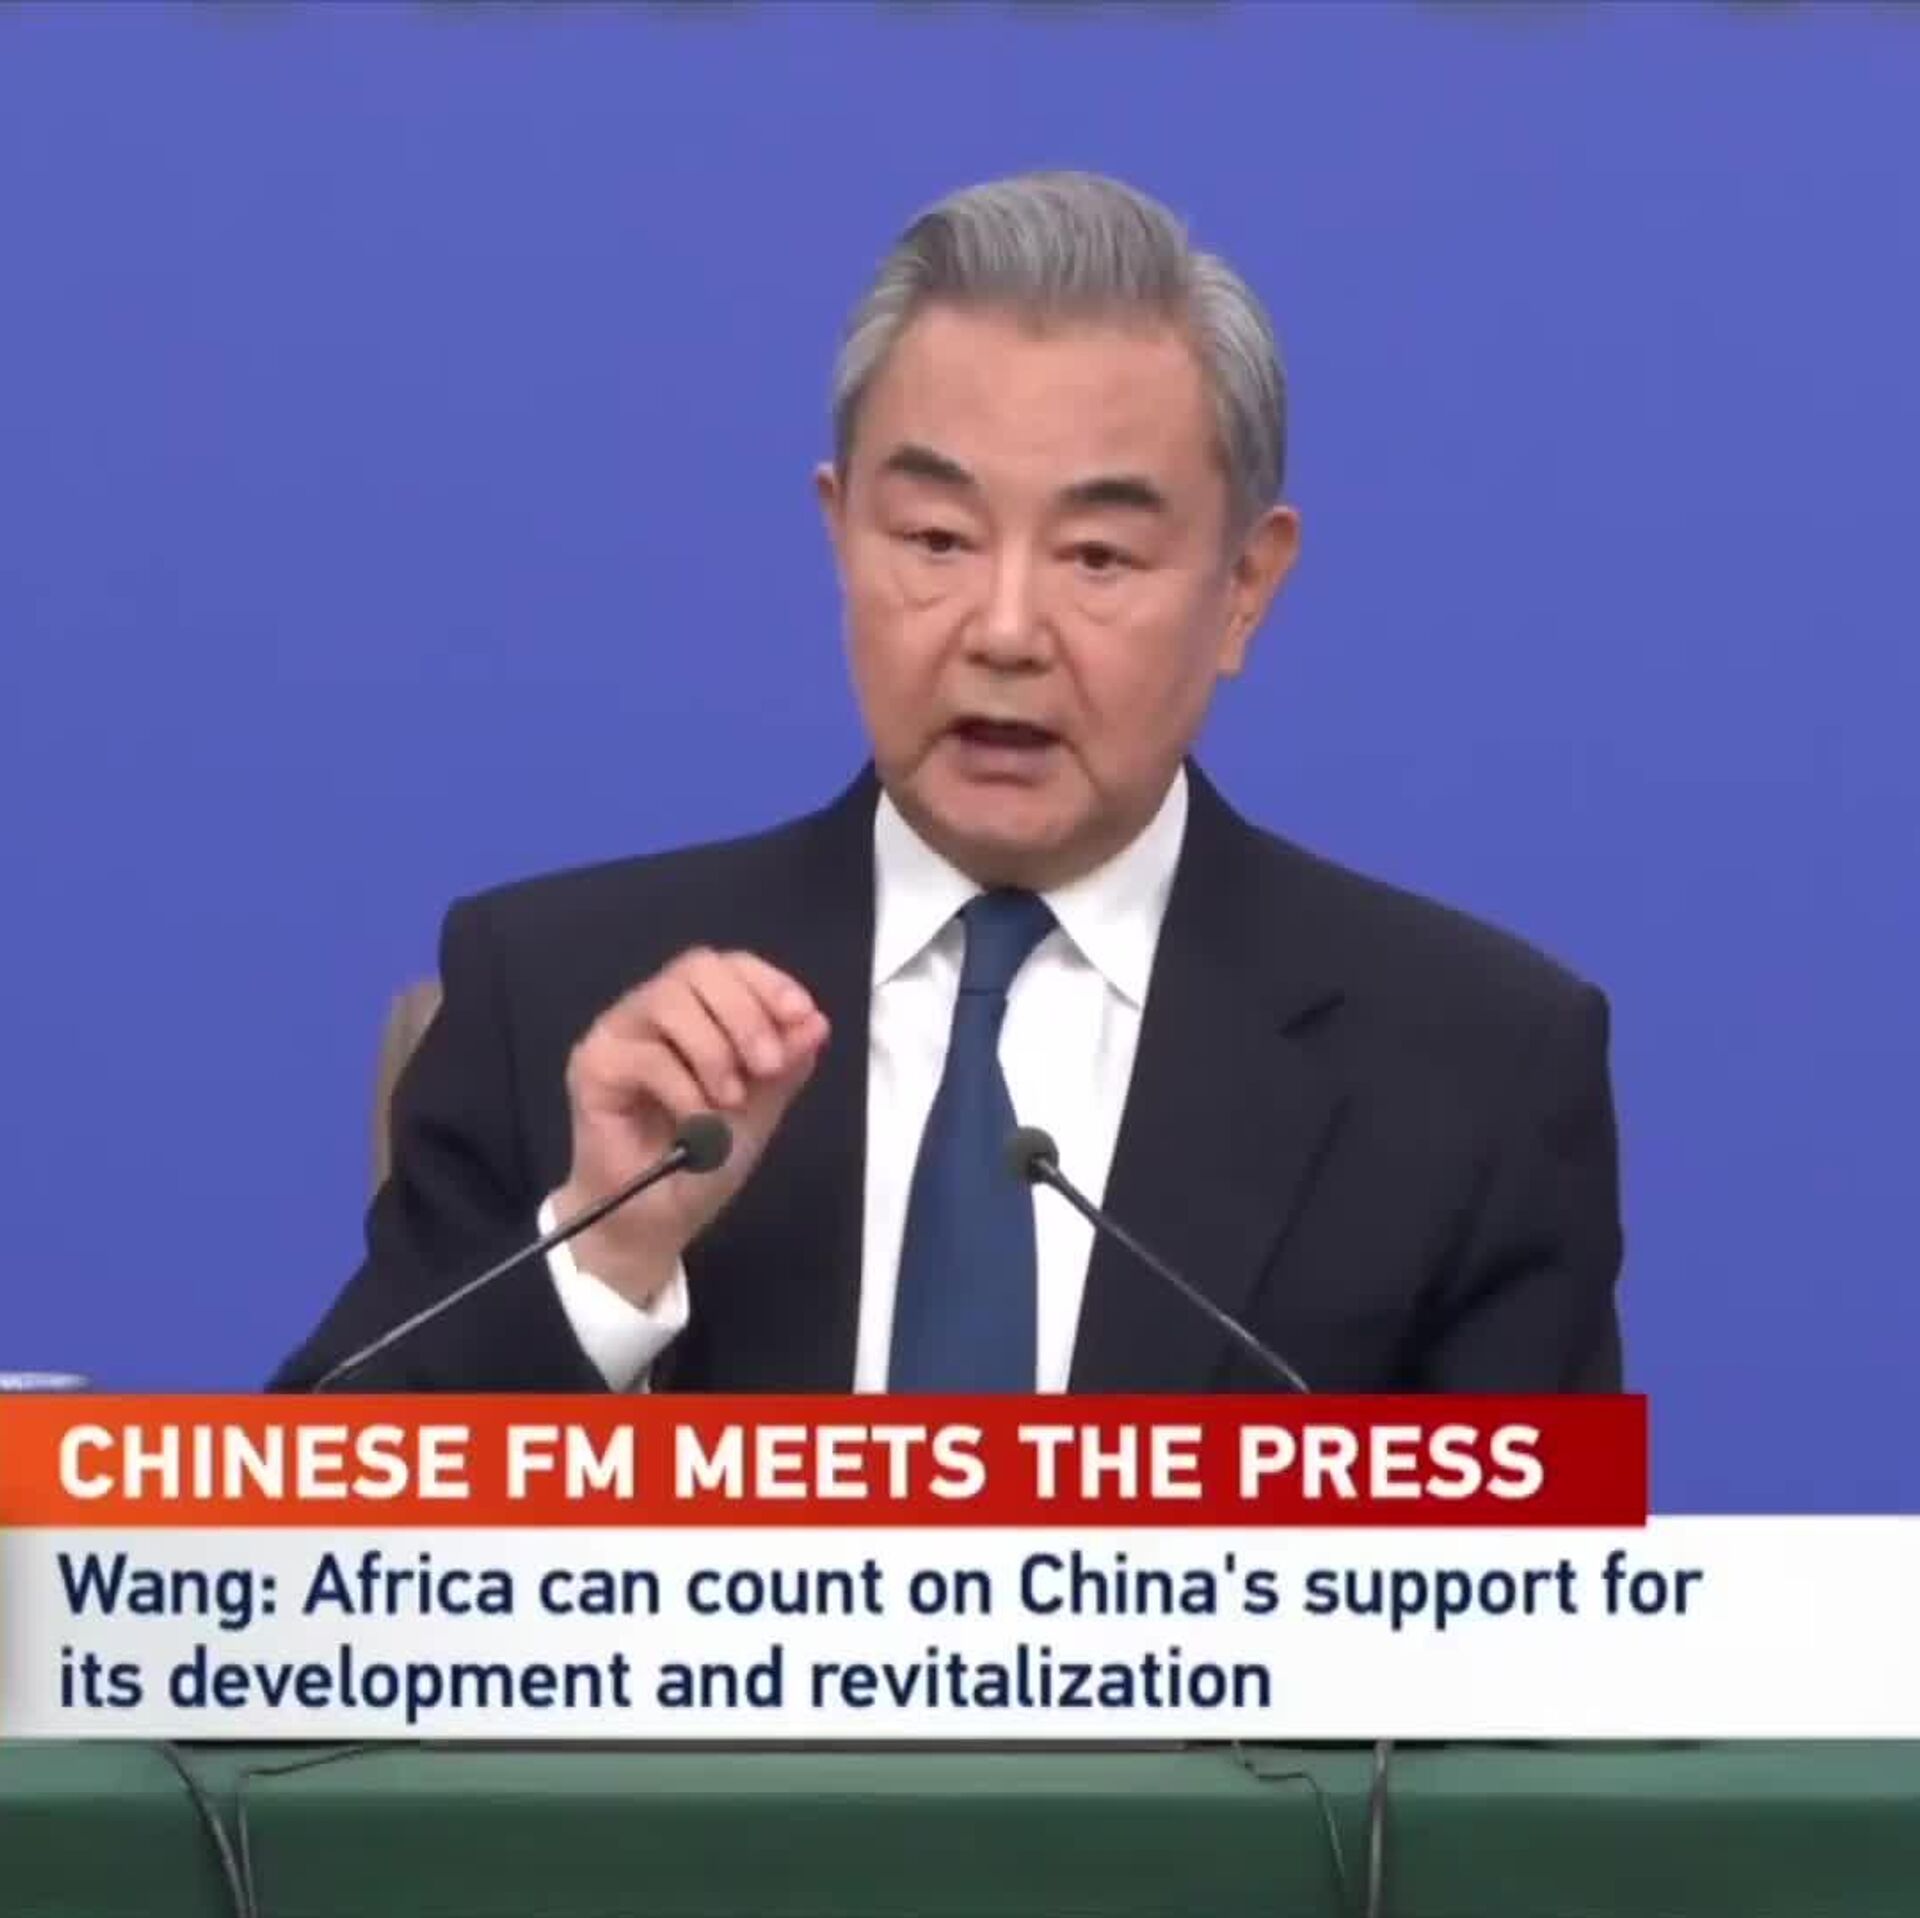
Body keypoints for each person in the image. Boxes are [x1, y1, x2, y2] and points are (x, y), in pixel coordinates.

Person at [274, 171, 1624, 1396]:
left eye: (1097, 557)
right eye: (935, 538)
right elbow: (292, 1544)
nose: (1005, 630)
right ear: (839, 535)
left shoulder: (1471, 1074)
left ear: (1245, 589)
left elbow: (1547, 1584)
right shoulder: (564, 1006)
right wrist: (604, 1260)